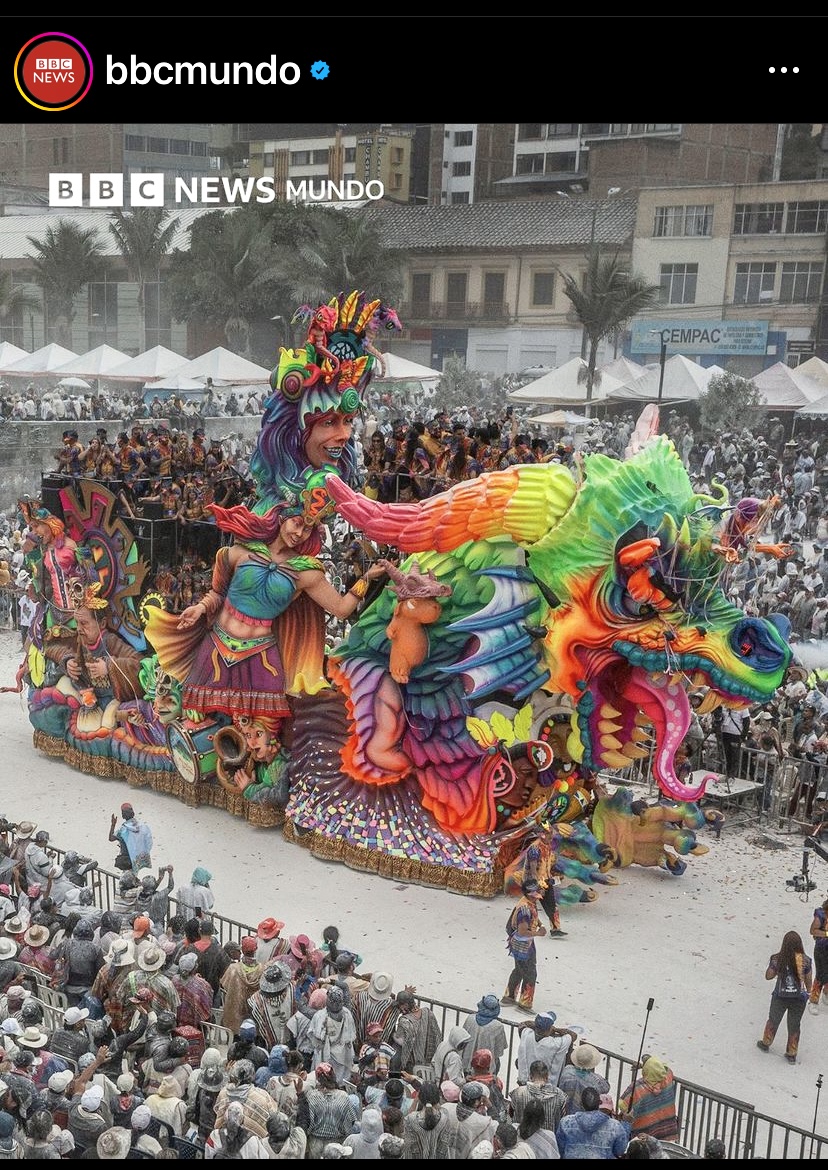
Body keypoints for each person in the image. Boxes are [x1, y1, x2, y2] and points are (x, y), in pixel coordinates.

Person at [144, 497, 389, 731]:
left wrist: (366, 578)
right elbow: (219, 593)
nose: (300, 533)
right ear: (282, 518)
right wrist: (200, 608)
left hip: (261, 659)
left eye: (307, 530)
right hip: (216, 649)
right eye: (297, 523)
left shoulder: (306, 572)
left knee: (263, 728)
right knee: (196, 717)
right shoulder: (239, 552)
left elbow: (341, 609)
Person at [757, 929, 813, 1063]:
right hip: (798, 999)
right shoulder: (806, 960)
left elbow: (768, 976)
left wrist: (776, 968)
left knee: (773, 1020)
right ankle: (791, 1053)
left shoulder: (777, 958)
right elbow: (808, 980)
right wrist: (809, 993)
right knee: (794, 1025)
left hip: (780, 997)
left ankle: (766, 1043)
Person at [503, 879, 546, 1013]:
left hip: (523, 943)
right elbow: (522, 930)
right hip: (523, 944)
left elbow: (533, 917)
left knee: (519, 969)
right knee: (530, 973)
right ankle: (525, 1003)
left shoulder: (528, 902)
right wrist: (538, 933)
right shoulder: (525, 909)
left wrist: (540, 924)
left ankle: (509, 997)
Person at [556, 1085, 630, 1159]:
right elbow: (620, 1151)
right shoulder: (615, 1126)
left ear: (581, 1103)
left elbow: (560, 1149)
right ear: (599, 1103)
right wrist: (626, 1124)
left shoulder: (565, 1122)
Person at [618, 1056, 680, 1142]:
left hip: (643, 1132)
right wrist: (645, 1065)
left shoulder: (638, 1087)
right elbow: (665, 1068)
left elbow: (622, 1104)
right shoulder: (667, 1078)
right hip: (664, 1131)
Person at [108, 803, 153, 873]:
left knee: (126, 878)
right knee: (134, 876)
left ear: (123, 815)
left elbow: (111, 838)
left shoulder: (123, 830)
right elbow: (149, 842)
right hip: (138, 859)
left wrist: (113, 825)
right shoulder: (142, 827)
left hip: (126, 860)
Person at [808, 895, 828, 1013]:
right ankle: (813, 1000)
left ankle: (826, 994)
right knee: (820, 975)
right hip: (822, 949)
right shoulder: (821, 915)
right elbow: (813, 931)